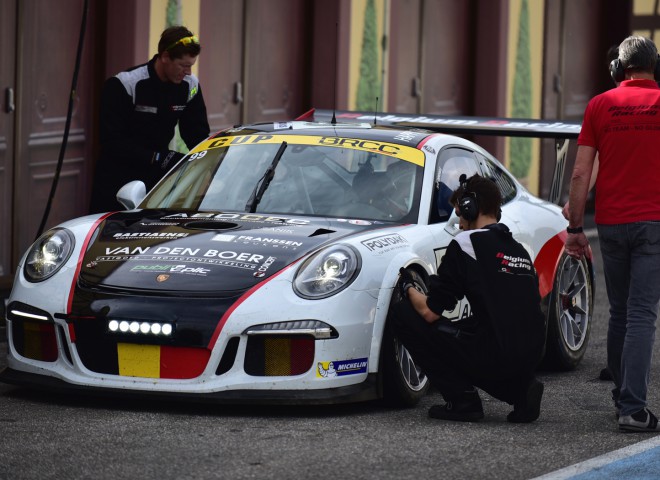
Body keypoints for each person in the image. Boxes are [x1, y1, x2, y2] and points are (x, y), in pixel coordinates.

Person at [392, 174, 546, 423]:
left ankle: (462, 400)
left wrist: (409, 286)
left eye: (459, 213)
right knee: (481, 326)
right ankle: (520, 390)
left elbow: (430, 311)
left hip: (498, 355)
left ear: (469, 207)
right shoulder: (518, 250)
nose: (459, 223)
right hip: (531, 355)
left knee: (405, 315)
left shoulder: (466, 243)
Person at [565, 35, 660, 432]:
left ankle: (623, 397)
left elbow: (581, 173)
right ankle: (633, 408)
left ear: (620, 69)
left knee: (620, 311)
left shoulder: (599, 105)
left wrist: (575, 228)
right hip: (653, 223)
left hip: (611, 223)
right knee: (641, 314)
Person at [89, 25, 210, 213]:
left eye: (191, 66)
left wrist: (206, 162)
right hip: (116, 176)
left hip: (155, 180)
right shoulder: (125, 84)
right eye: (183, 65)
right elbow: (111, 140)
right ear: (164, 57)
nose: (188, 72)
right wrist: (156, 157)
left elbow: (197, 133)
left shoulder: (190, 85)